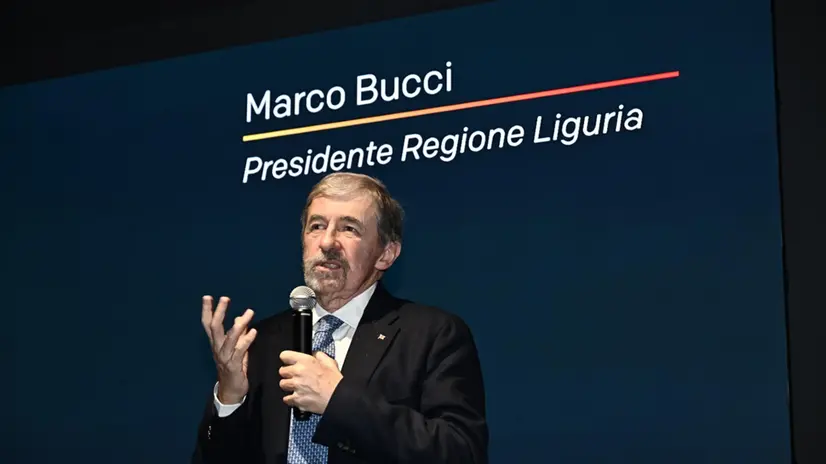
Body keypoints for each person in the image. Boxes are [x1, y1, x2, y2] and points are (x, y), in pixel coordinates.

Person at [192, 172, 488, 464]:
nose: (327, 242)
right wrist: (230, 398)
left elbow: (461, 452)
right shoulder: (260, 341)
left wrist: (338, 400)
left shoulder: (432, 334)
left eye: (349, 229)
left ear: (385, 254)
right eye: (317, 226)